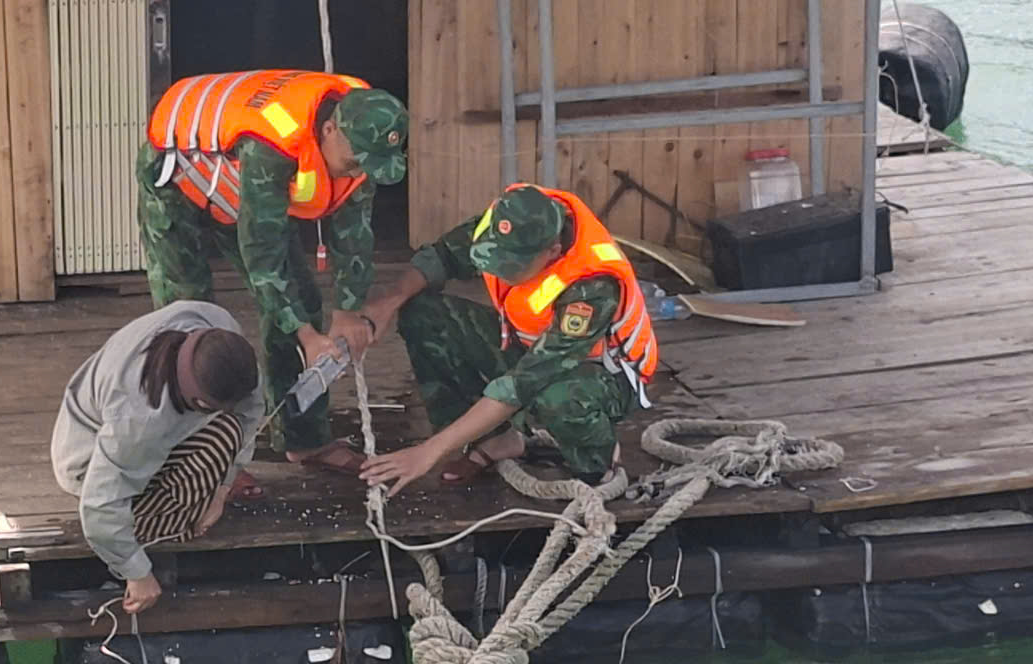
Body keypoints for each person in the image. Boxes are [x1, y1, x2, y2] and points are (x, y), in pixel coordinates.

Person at [138, 69, 408, 477]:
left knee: (303, 296)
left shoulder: (366, 138)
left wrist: (348, 311)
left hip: (232, 183)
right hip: (176, 178)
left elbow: (354, 232)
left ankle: (304, 438)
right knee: (188, 317)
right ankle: (201, 456)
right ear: (330, 130)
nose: (358, 174)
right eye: (354, 163)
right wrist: (305, 335)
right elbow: (262, 253)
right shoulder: (272, 144)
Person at [357, 184, 659, 497]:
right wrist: (389, 301)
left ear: (552, 252)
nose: (498, 272)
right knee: (422, 313)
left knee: (559, 399)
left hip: (601, 374)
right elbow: (442, 256)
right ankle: (492, 439)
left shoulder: (592, 288)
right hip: (527, 346)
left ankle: (596, 464)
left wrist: (428, 452)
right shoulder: (506, 223)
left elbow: (525, 382)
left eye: (509, 266)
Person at [50, 301, 265, 613]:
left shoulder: (218, 325)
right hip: (87, 461)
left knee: (229, 430)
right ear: (198, 401)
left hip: (138, 430)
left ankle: (184, 499)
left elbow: (250, 413)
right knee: (216, 443)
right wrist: (137, 572)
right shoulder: (138, 420)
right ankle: (166, 525)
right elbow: (99, 507)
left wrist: (222, 488)